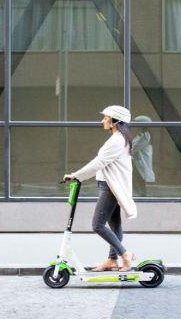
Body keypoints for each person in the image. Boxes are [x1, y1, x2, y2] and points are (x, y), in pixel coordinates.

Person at [63, 105, 137, 272]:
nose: (102, 120)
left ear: (115, 121)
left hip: (110, 187)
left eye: (105, 117)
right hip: (111, 185)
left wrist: (76, 175)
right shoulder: (119, 139)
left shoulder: (117, 141)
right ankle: (112, 260)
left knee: (98, 225)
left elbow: (99, 162)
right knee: (114, 225)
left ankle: (125, 255)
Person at [132, 115, 155, 197]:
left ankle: (141, 194)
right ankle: (140, 193)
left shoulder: (145, 136)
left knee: (139, 178)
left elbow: (134, 147)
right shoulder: (142, 134)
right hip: (137, 160)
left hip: (140, 161)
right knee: (138, 178)